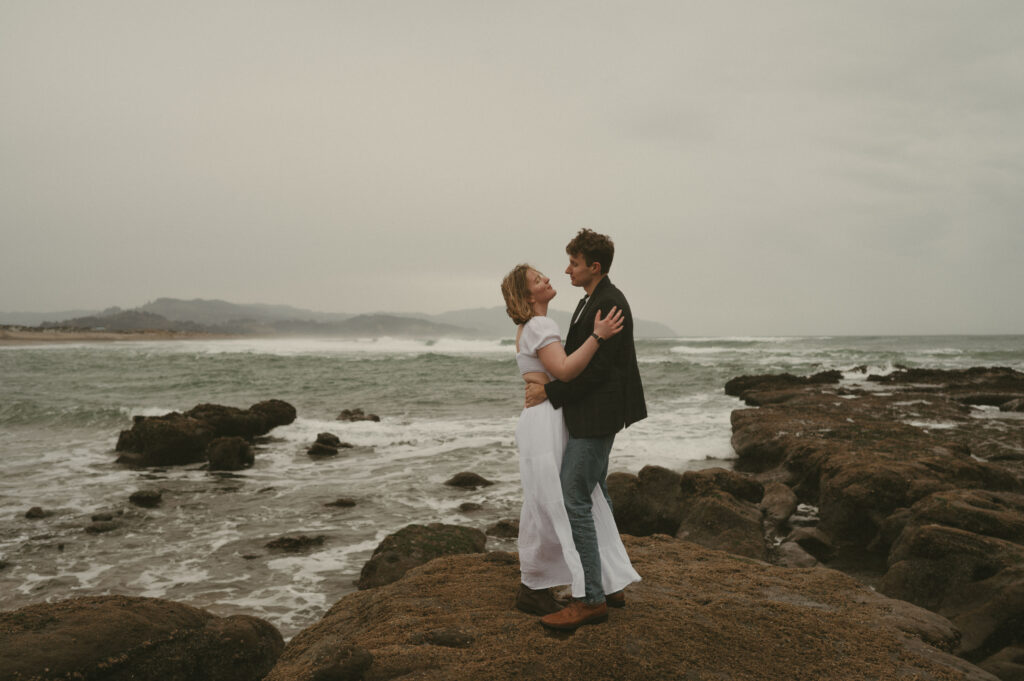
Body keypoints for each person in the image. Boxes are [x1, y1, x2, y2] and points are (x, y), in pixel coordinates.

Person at [501, 263, 640, 621]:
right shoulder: (540, 325)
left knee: (556, 498)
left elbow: (552, 378)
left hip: (542, 418)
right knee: (561, 499)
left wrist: (548, 388)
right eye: (537, 280)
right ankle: (543, 587)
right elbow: (563, 371)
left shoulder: (528, 327)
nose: (548, 278)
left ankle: (593, 583)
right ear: (527, 295)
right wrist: (598, 336)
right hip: (548, 422)